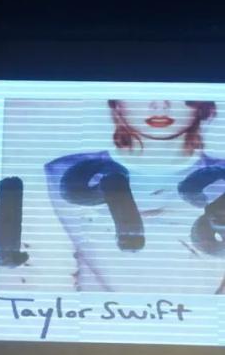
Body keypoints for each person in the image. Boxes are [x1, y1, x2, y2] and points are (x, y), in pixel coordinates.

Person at [44, 99, 225, 293]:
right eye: (143, 94)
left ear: (201, 104)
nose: (160, 105)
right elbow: (122, 275)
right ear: (116, 103)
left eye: (177, 93)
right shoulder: (66, 172)